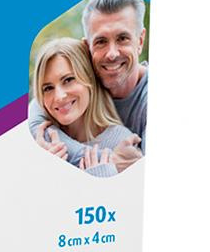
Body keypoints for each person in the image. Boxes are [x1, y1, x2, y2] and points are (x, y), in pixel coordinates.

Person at [28, 0, 148, 171]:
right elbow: (37, 111)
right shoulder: (89, 74)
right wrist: (109, 161)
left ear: (140, 41)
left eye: (123, 38)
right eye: (101, 41)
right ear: (87, 48)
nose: (112, 54)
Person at [31, 38, 141, 177]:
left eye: (68, 80)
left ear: (89, 78)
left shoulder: (123, 143)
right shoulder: (40, 138)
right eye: (48, 88)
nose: (58, 96)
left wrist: (102, 175)